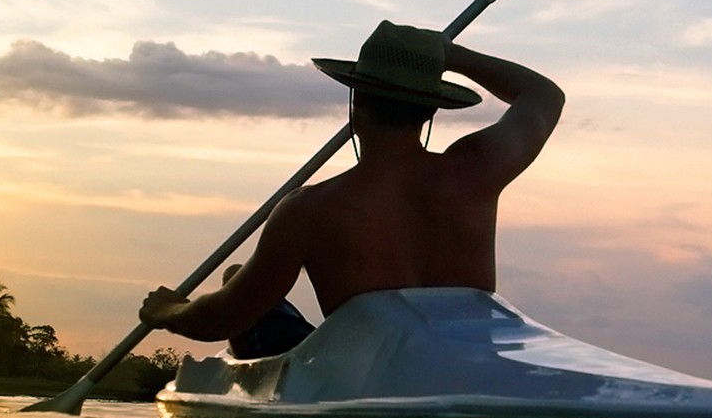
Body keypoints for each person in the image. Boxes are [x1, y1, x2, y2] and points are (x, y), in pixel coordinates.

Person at [139, 20, 564, 348]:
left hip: (364, 371)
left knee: (239, 282)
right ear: (430, 111)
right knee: (237, 274)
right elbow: (543, 95)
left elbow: (226, 318)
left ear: (356, 101)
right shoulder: (477, 170)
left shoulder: (308, 210)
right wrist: (450, 54)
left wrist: (171, 312)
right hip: (463, 363)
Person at [219, 263, 315, 359]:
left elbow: (240, 352)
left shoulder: (274, 302)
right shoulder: (274, 301)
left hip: (296, 347)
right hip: (295, 349)